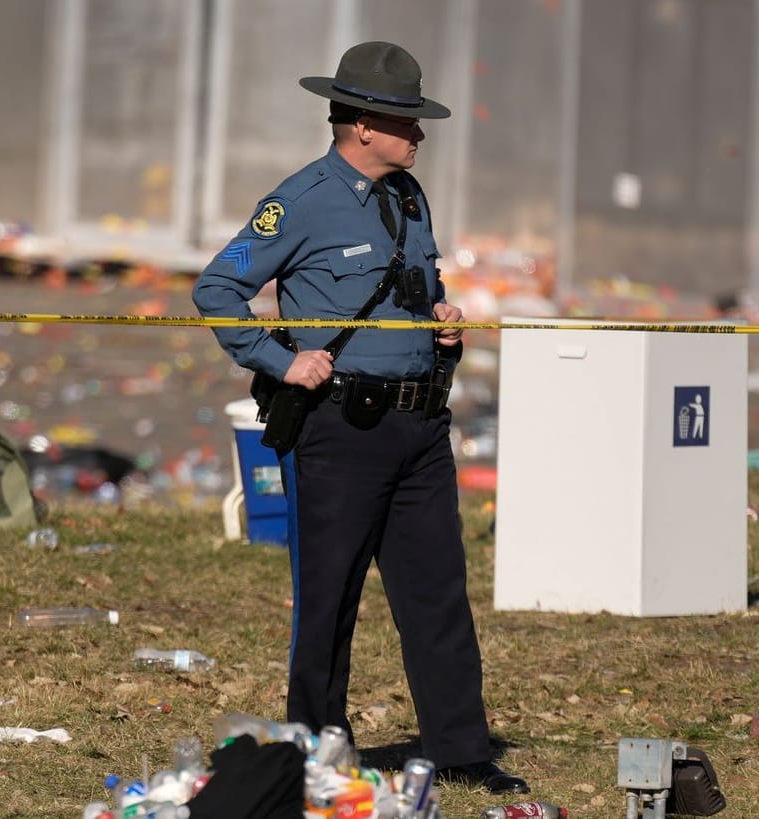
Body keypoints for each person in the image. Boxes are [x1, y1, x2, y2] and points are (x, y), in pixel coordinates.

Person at [192, 41, 528, 796]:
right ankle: (314, 746)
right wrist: (283, 361)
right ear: (362, 126)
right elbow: (217, 287)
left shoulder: (409, 197)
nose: (419, 134)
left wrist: (440, 323)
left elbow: (414, 289)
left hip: (418, 427)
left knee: (438, 590)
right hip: (340, 429)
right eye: (406, 120)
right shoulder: (302, 199)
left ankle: (460, 748)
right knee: (330, 596)